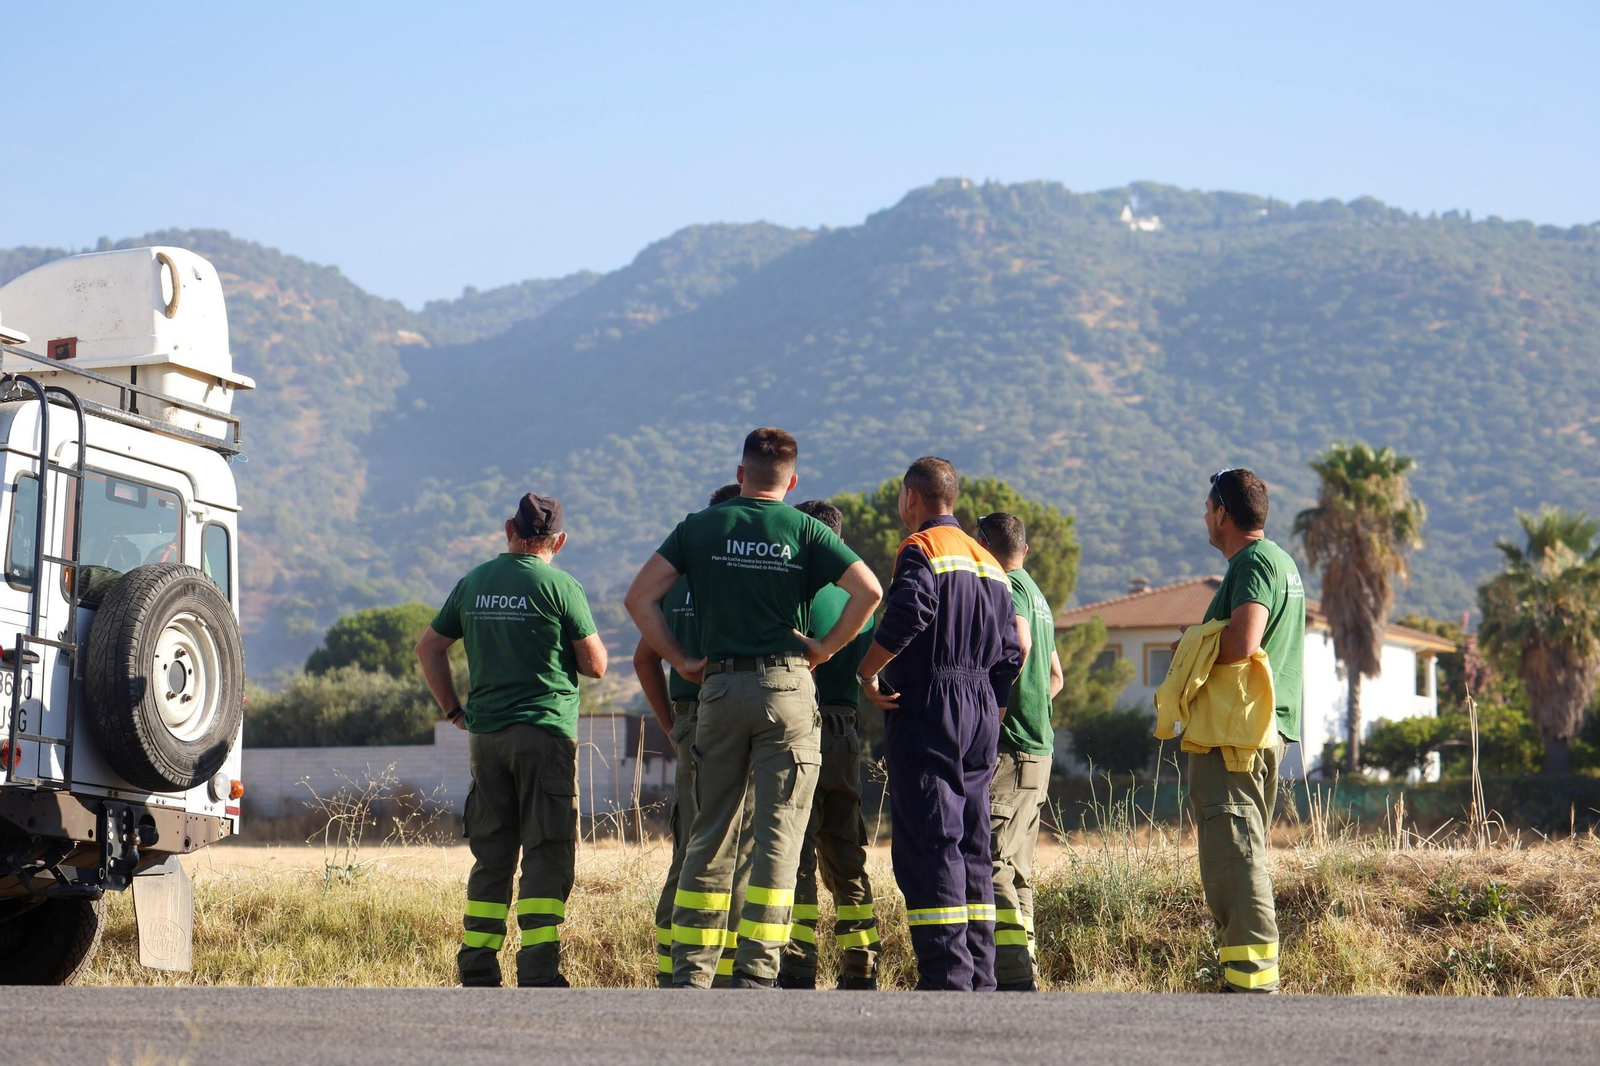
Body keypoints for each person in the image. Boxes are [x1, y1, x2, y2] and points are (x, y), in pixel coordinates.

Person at [624, 427, 882, 989]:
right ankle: (757, 972)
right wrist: (824, 648)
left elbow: (638, 598)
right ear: (792, 481)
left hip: (717, 689)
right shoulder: (805, 529)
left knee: (709, 833)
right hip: (786, 689)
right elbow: (869, 591)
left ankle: (691, 973)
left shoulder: (700, 527)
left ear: (740, 474)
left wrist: (680, 660)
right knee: (780, 836)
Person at [415, 492, 608, 988]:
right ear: (559, 542)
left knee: (493, 853)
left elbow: (429, 647)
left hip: (486, 739)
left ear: (509, 530)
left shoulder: (475, 582)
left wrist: (454, 710)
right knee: (547, 849)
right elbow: (596, 665)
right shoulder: (561, 586)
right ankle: (539, 970)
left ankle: (478, 966)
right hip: (544, 735)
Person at [855, 457, 1022, 991]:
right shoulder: (988, 560)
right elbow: (1012, 651)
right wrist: (993, 705)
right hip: (980, 708)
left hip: (931, 702)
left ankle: (947, 979)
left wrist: (868, 670)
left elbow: (911, 611)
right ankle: (980, 977)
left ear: (911, 497)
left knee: (931, 841)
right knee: (973, 843)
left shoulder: (922, 548)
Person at [1189, 467, 1305, 994]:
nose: (1204, 518)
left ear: (1222, 513)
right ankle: (1248, 981)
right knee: (1240, 851)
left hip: (1237, 736)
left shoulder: (1254, 563)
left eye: (1207, 508)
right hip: (1257, 731)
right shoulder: (1280, 561)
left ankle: (1252, 984)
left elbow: (1241, 643)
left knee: (1234, 857)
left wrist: (1190, 648)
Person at [634, 483, 743, 987]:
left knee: (691, 847)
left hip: (689, 720)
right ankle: (719, 976)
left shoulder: (675, 582)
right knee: (731, 847)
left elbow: (643, 659)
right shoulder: (738, 576)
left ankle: (671, 970)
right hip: (729, 718)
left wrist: (670, 722)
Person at [777, 500, 882, 991]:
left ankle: (798, 966)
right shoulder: (859, 598)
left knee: (796, 853)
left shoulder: (799, 590)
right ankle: (862, 964)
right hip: (846, 735)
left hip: (802, 729)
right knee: (846, 856)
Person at [975, 512, 1063, 992]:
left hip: (1010, 753)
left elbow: (1020, 645)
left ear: (982, 546)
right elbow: (1056, 677)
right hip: (1039, 751)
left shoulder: (1006, 587)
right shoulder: (1038, 593)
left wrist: (998, 710)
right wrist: (1034, 710)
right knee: (1018, 872)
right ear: (1024, 549)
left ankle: (1011, 976)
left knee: (990, 862)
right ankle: (1023, 968)